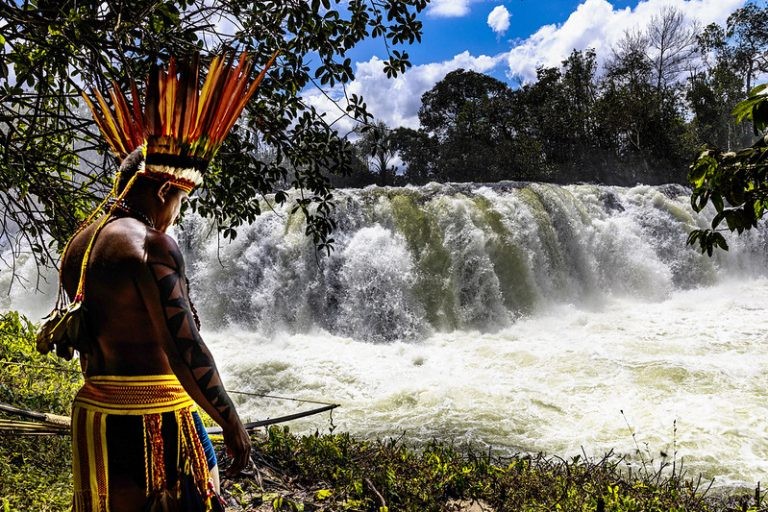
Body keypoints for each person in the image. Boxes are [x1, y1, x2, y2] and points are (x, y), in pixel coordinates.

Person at [36, 50, 277, 512]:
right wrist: (229, 420)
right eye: (179, 202)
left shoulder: (83, 241)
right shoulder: (150, 247)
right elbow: (183, 347)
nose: (175, 215)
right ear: (166, 189)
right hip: (151, 422)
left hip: (95, 418)